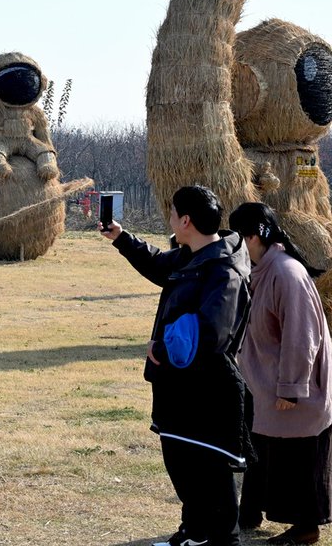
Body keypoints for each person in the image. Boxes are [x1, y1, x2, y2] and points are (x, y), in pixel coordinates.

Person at [101, 185, 252, 546]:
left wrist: (164, 350)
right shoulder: (190, 255)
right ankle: (195, 532)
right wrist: (121, 238)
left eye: (172, 213)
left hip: (206, 386)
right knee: (182, 459)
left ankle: (220, 538)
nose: (168, 218)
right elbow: (157, 263)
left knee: (208, 467)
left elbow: (212, 332)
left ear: (186, 220)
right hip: (177, 384)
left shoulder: (223, 269)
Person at [230, 202, 332, 546]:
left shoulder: (287, 273)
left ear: (252, 237)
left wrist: (291, 388)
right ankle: (253, 513)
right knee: (266, 451)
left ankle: (306, 528)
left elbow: (301, 335)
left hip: (294, 390)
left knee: (297, 459)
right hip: (267, 385)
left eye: (236, 237)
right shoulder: (262, 270)